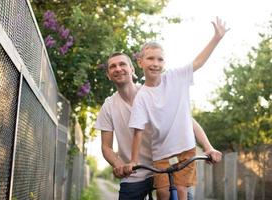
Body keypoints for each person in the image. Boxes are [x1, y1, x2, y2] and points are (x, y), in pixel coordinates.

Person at [126, 17, 228, 200]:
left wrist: (216, 39)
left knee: (182, 190)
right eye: (150, 59)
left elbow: (197, 62)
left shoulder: (175, 77)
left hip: (186, 147)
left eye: (160, 59)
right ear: (140, 62)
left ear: (164, 63)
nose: (155, 63)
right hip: (161, 151)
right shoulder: (142, 96)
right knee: (163, 192)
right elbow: (138, 132)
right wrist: (134, 161)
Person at [95, 52, 216, 200]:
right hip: (136, 172)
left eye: (122, 64)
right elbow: (106, 147)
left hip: (166, 166)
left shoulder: (152, 93)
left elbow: (186, 120)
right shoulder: (109, 106)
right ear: (108, 74)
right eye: (112, 66)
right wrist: (118, 163)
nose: (118, 68)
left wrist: (208, 147)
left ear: (132, 69)